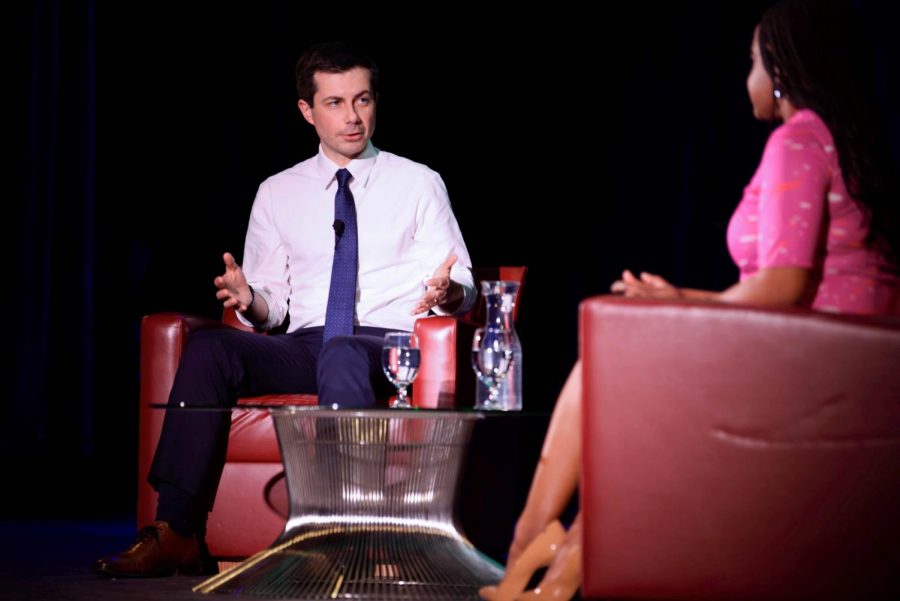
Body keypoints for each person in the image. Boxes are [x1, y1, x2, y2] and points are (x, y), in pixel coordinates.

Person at [482, 1, 900, 599]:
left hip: (812, 372)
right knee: (623, 347)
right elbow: (798, 285)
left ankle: (533, 545)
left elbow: (783, 287)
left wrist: (685, 310)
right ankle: (561, 554)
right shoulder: (846, 145)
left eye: (753, 61)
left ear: (780, 70)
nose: (746, 75)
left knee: (611, 359)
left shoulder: (799, 140)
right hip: (834, 363)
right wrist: (682, 299)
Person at [95, 41, 475, 578]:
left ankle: (346, 535)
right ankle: (176, 529)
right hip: (306, 343)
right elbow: (272, 309)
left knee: (343, 351)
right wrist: (250, 300)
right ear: (307, 111)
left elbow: (462, 280)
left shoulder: (417, 182)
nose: (352, 117)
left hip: (385, 344)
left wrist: (449, 293)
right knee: (210, 347)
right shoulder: (277, 192)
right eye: (336, 103)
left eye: (362, 101)